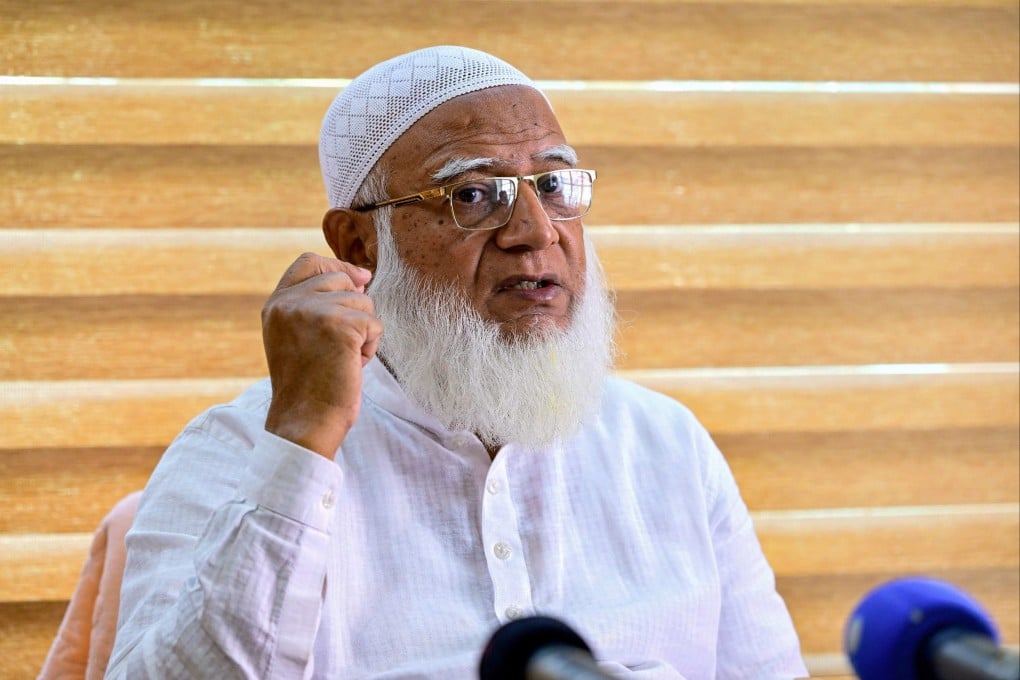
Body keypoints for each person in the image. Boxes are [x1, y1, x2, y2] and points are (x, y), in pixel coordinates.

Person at [106, 45, 808, 679]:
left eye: (555, 186)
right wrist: (301, 441)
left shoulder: (664, 447)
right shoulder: (238, 451)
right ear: (358, 244)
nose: (535, 233)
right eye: (473, 195)